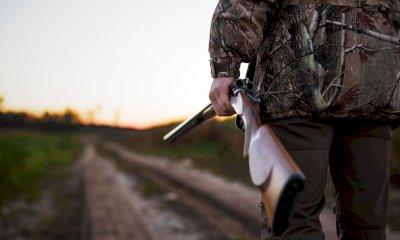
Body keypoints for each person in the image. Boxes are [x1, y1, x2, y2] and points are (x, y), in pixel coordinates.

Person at [208, 0, 400, 239]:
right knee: (367, 228)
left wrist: (224, 66)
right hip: (377, 90)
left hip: (298, 88)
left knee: (291, 223)